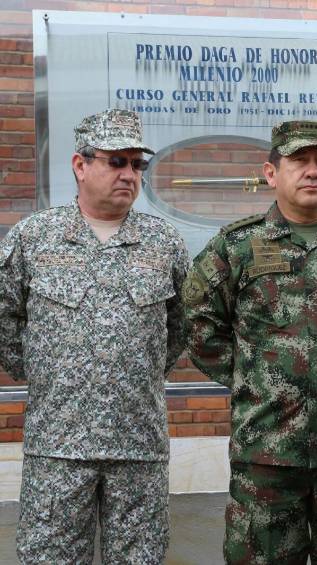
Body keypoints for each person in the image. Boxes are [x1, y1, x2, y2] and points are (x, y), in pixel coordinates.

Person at [0, 108, 189, 563]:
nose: (129, 174)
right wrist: (48, 374)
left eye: (137, 164)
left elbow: (179, 325)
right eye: (115, 161)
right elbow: (5, 318)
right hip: (58, 446)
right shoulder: (35, 238)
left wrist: (134, 373)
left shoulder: (163, 243)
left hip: (138, 446)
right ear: (80, 165)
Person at [184, 120, 317, 564]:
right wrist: (255, 376)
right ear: (271, 173)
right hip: (266, 453)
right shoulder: (237, 247)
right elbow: (197, 321)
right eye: (298, 161)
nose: (312, 171)